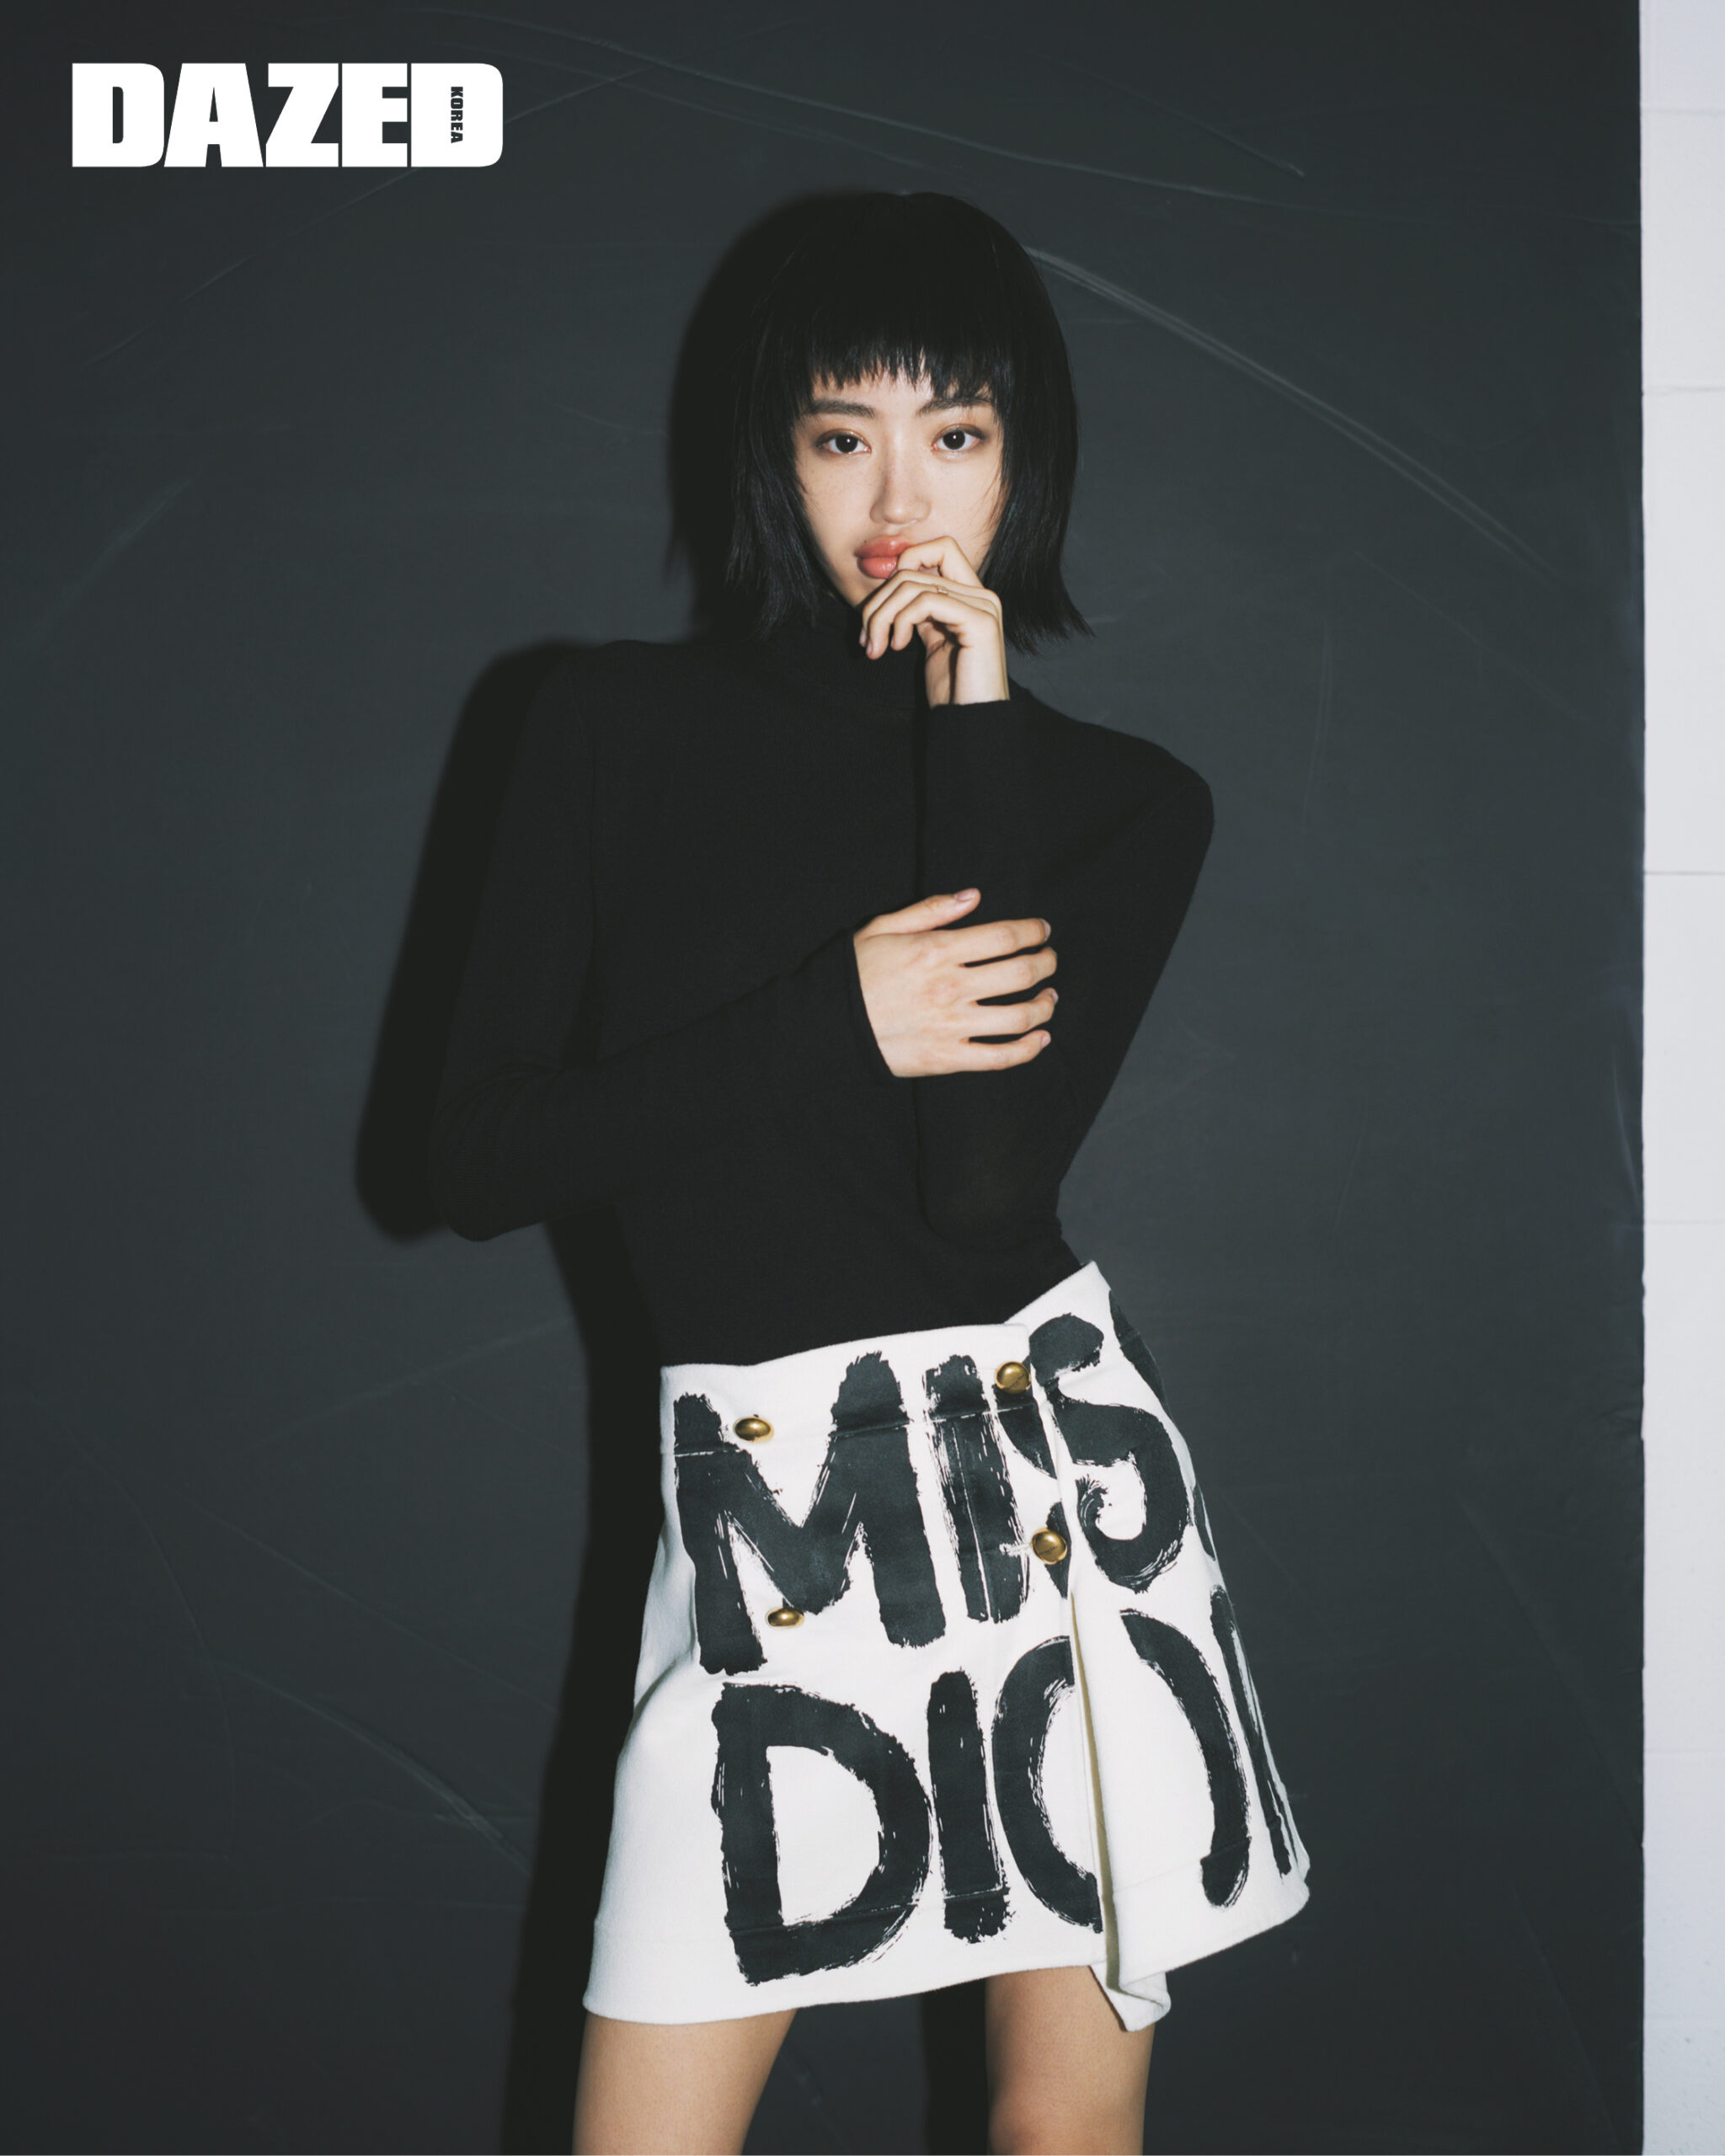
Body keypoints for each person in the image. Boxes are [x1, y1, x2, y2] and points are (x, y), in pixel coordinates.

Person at [430, 189, 1308, 2156]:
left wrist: (969, 723)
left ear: (1025, 457)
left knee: (1060, 2129)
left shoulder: (1121, 803)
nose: (902, 496)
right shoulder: (608, 728)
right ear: (779, 454)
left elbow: (982, 1188)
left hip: (1049, 1490)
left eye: (956, 433)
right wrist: (829, 1013)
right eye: (845, 434)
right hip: (777, 1503)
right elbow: (467, 1156)